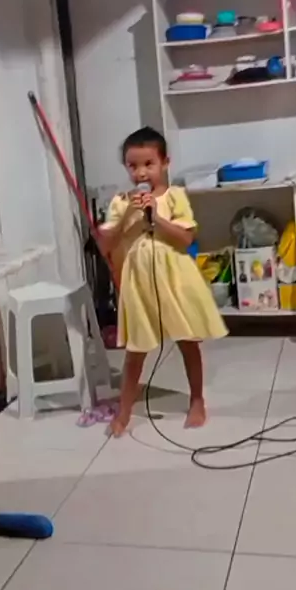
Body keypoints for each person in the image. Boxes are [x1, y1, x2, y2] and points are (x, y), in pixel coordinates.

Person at [100, 126, 227, 436]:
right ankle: (124, 411)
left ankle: (197, 400)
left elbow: (186, 239)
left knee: (187, 341)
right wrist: (127, 215)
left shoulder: (175, 196)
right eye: (133, 166)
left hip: (176, 279)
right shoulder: (120, 202)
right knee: (136, 349)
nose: (141, 172)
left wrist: (156, 217)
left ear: (165, 163)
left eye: (149, 164)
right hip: (139, 283)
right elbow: (106, 244)